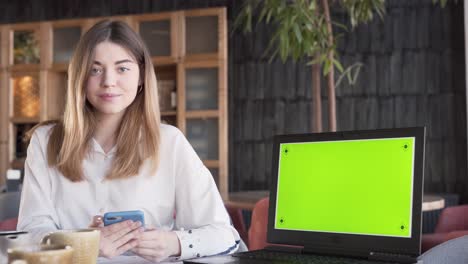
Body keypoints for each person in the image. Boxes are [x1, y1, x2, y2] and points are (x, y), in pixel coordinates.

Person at [17, 19, 240, 262]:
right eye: (95, 69)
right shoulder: (45, 141)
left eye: (122, 68)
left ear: (142, 75)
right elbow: (29, 233)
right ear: (79, 76)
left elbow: (224, 235)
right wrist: (85, 242)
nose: (108, 81)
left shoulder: (169, 142)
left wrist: (173, 243)